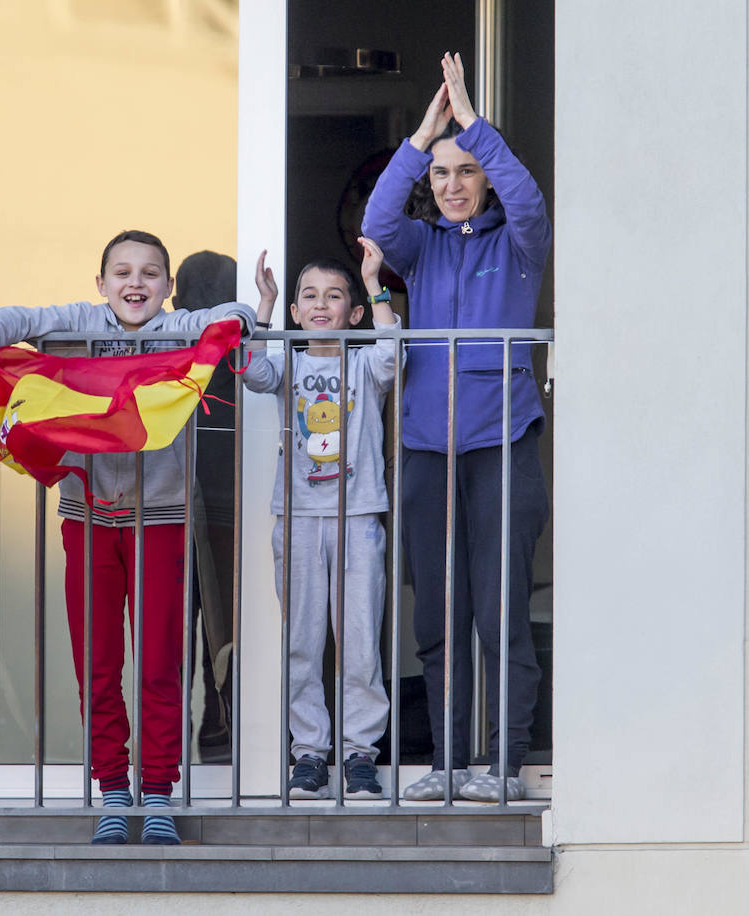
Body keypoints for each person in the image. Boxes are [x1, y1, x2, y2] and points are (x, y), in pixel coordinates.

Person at [0, 230, 259, 844]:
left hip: (163, 520)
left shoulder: (180, 329)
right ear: (99, 284)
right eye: (122, 272)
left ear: (168, 288)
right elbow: (19, 315)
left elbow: (231, 315)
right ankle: (113, 790)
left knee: (159, 662)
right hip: (89, 521)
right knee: (97, 662)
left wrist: (244, 317)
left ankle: (157, 791)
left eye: (151, 273)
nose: (135, 283)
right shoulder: (76, 323)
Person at [360, 53, 551, 802]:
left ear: (484, 178)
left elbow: (529, 201)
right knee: (439, 618)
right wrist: (423, 136)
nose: (452, 185)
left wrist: (473, 123)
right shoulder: (421, 245)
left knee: (501, 613)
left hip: (501, 444)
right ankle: (447, 764)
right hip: (425, 449)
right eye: (440, 175)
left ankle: (502, 767)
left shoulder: (518, 244)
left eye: (465, 171)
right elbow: (377, 221)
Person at [242, 245, 400, 799]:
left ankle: (360, 752)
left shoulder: (362, 365)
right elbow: (251, 371)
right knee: (303, 642)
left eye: (334, 297)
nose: (320, 305)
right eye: (308, 295)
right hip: (299, 516)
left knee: (358, 641)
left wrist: (373, 283)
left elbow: (392, 355)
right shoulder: (288, 360)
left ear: (352, 314)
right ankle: (309, 753)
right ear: (295, 312)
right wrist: (262, 306)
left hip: (356, 517)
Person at [171, 250, 238, 761]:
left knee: (207, 635)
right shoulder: (172, 348)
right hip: (180, 507)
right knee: (202, 635)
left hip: (214, 508)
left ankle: (199, 747)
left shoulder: (237, 353)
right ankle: (198, 744)